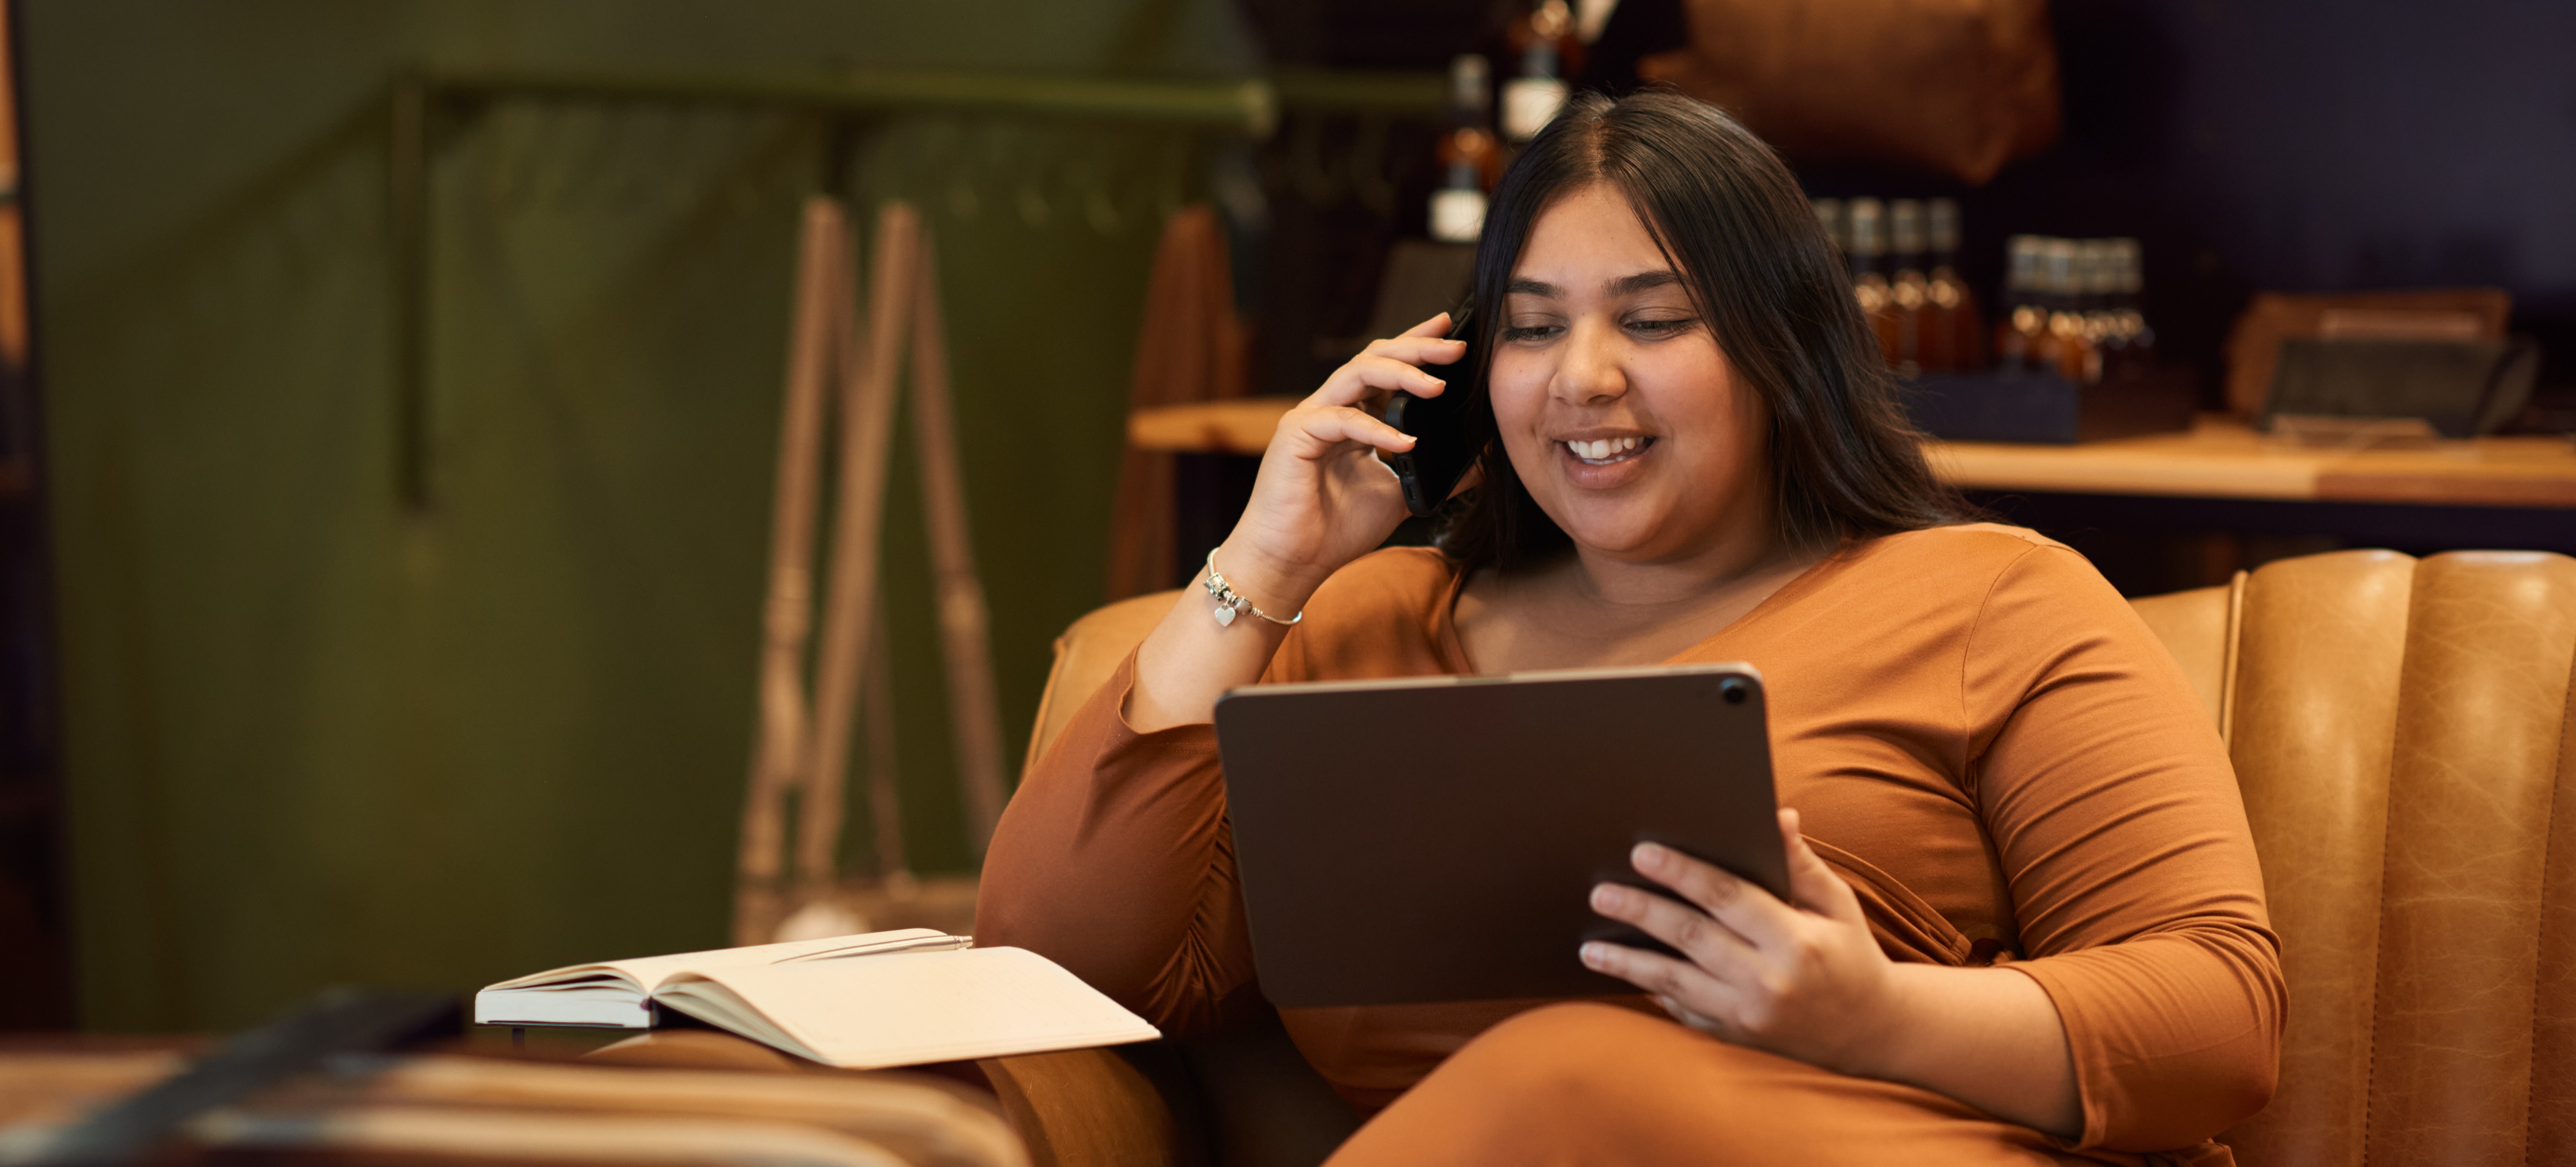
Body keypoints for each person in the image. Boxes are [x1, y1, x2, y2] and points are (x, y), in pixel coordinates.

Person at [978, 90, 2280, 1165]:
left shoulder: (1997, 597)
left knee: (1573, 1073)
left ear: (1784, 352)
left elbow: (2219, 1016)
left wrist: (1871, 1009)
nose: (1582, 376)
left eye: (1653, 320)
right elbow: (1051, 972)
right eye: (1533, 327)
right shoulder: (1360, 627)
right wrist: (1265, 562)